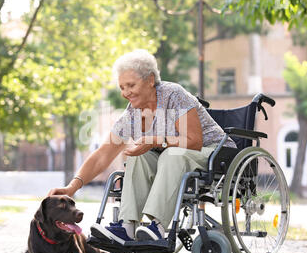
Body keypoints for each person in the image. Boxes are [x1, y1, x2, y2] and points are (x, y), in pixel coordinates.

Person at [48, 49, 236, 243]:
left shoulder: (174, 95)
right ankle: (127, 226)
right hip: (174, 159)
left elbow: (194, 141)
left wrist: (153, 140)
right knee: (138, 156)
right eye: (122, 87)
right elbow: (103, 154)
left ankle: (157, 226)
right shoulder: (132, 115)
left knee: (171, 154)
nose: (125, 93)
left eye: (131, 85)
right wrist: (72, 187)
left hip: (214, 153)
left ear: (150, 80)